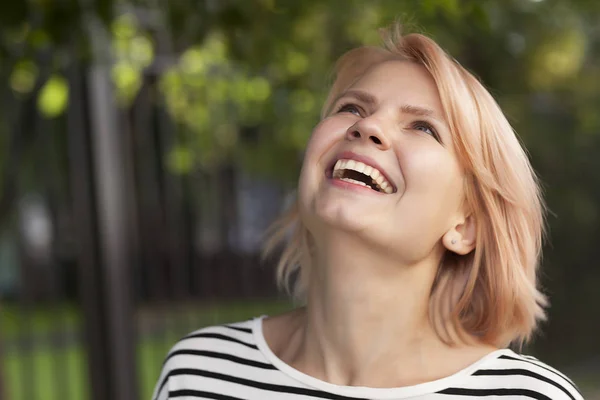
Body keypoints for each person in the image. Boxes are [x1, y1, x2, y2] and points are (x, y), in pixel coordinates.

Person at [152, 22, 584, 400]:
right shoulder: (198, 373)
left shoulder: (527, 396)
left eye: (422, 127)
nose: (368, 126)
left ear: (465, 225)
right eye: (351, 108)